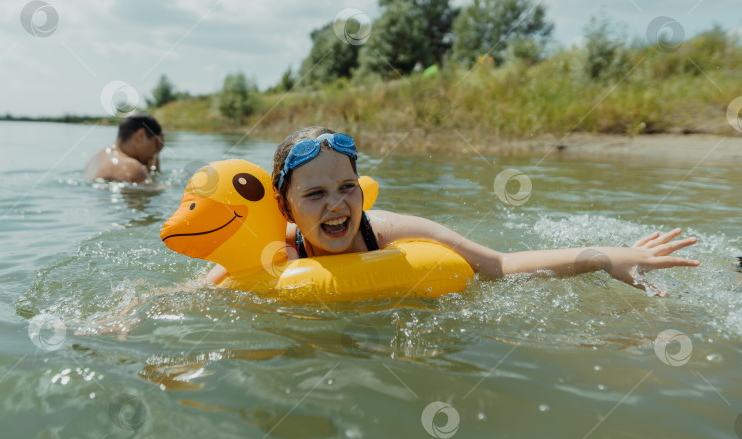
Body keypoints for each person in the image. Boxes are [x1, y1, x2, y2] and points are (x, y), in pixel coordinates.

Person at [205, 126, 700, 293]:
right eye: (314, 195)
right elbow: (193, 294)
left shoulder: (389, 231)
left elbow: (499, 265)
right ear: (283, 206)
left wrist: (604, 257)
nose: (337, 206)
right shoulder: (276, 249)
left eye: (347, 187)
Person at [84, 112, 164, 183]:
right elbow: (154, 192)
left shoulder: (96, 159)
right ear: (141, 135)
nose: (156, 149)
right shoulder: (131, 167)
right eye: (156, 143)